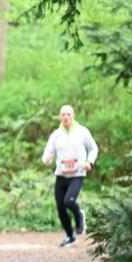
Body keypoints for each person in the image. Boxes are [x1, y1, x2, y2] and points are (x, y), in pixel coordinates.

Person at [42, 105, 98, 247]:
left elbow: (93, 148)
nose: (65, 117)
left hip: (77, 174)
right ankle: (69, 236)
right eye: (63, 114)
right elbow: (46, 155)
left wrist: (89, 162)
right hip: (61, 175)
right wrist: (47, 158)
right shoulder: (56, 135)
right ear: (60, 117)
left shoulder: (82, 132)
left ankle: (79, 215)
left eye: (68, 114)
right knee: (60, 207)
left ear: (73, 116)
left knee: (69, 201)